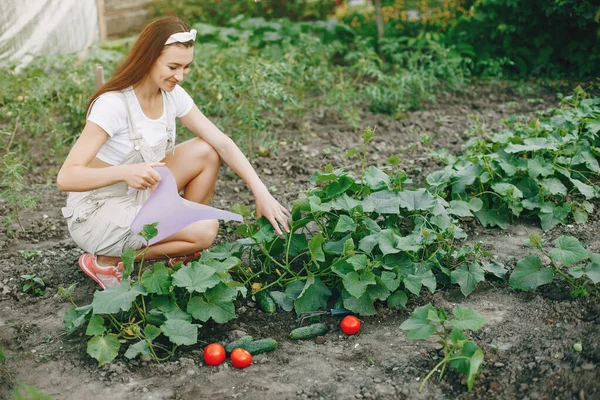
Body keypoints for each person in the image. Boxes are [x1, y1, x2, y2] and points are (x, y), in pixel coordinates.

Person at [56, 16, 290, 289]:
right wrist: (124, 172)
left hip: (140, 193)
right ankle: (107, 261)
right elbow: (66, 178)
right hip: (99, 211)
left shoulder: (172, 95)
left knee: (206, 150)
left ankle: (181, 252)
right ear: (149, 58)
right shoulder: (113, 105)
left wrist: (261, 193)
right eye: (172, 66)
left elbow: (222, 142)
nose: (179, 76)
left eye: (186, 67)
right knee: (206, 228)